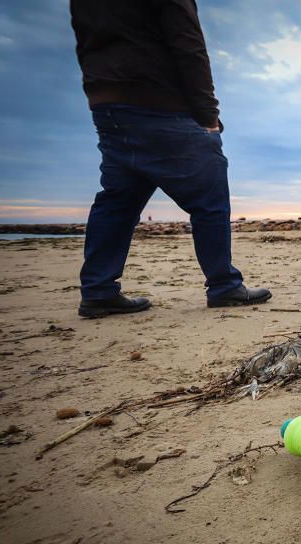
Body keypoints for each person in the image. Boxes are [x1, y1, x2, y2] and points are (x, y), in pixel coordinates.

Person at [70, 0, 271, 317]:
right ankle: (224, 285)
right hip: (159, 100)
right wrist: (208, 115)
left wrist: (99, 93)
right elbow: (189, 45)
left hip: (108, 104)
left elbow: (85, 41)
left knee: (119, 197)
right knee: (209, 192)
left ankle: (98, 290)